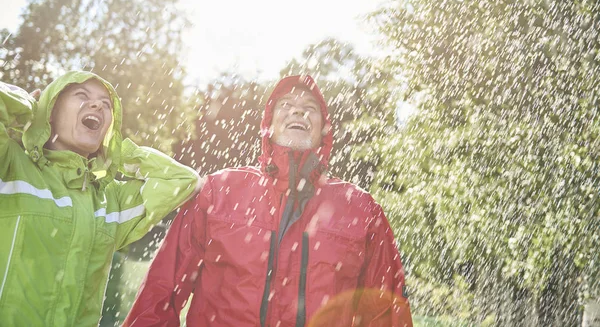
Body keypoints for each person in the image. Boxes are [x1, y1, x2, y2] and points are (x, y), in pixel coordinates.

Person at [124, 75, 413, 326]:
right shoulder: (218, 192)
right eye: (286, 105)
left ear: (325, 130)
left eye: (309, 108)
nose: (297, 111)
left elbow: (385, 310)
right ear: (269, 126)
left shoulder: (361, 210)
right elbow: (161, 291)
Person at [0, 71, 201, 326]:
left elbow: (183, 181)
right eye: (81, 95)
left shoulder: (112, 200)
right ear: (49, 111)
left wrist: (120, 152)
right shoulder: (10, 165)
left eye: (105, 104)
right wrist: (25, 106)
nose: (96, 105)